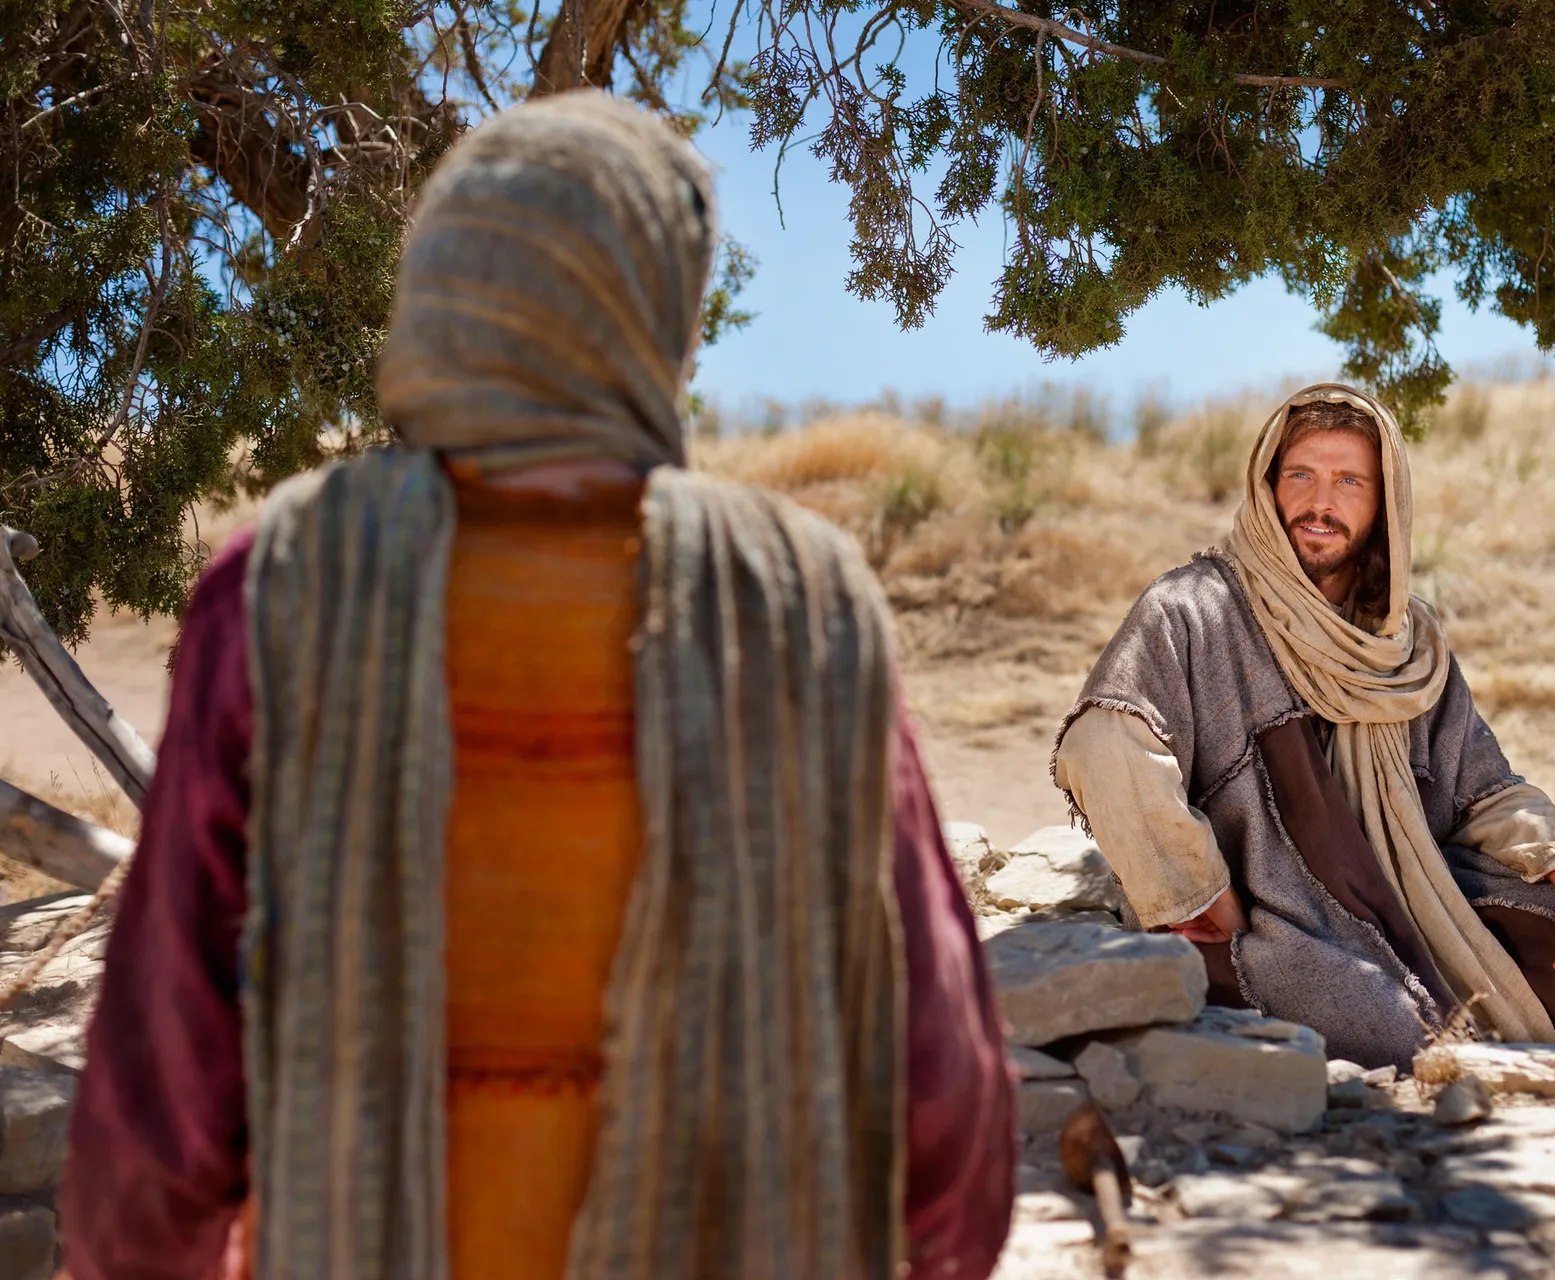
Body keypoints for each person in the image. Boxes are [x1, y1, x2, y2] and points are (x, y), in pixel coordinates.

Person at [58, 92, 1015, 1280]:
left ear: (445, 294)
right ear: (655, 309)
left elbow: (165, 1085)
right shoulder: (800, 598)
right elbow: (946, 1094)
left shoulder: (289, 579)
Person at [1053, 384, 1555, 1069]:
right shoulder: (1194, 609)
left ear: (1384, 506)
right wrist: (1199, 895)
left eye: (1349, 481)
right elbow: (1104, 742)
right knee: (1388, 1022)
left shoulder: (1402, 644)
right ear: (1268, 486)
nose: (1321, 502)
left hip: (1414, 901)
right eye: (1301, 476)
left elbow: (1485, 790)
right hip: (1277, 926)